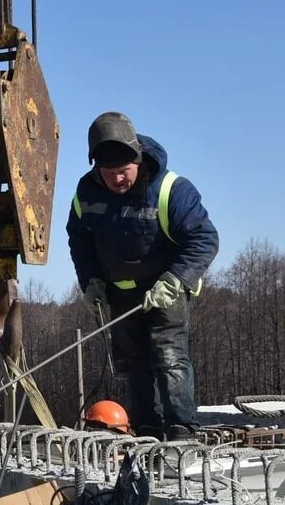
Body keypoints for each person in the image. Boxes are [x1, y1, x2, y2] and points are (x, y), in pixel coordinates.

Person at [66, 111, 219, 440]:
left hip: (165, 290)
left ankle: (182, 430)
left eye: (123, 172)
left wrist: (176, 280)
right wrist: (90, 281)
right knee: (133, 364)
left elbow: (205, 238)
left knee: (168, 356)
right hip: (120, 296)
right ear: (96, 167)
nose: (117, 180)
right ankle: (147, 429)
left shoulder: (171, 189)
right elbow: (78, 238)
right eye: (109, 173)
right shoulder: (86, 191)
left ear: (137, 159)